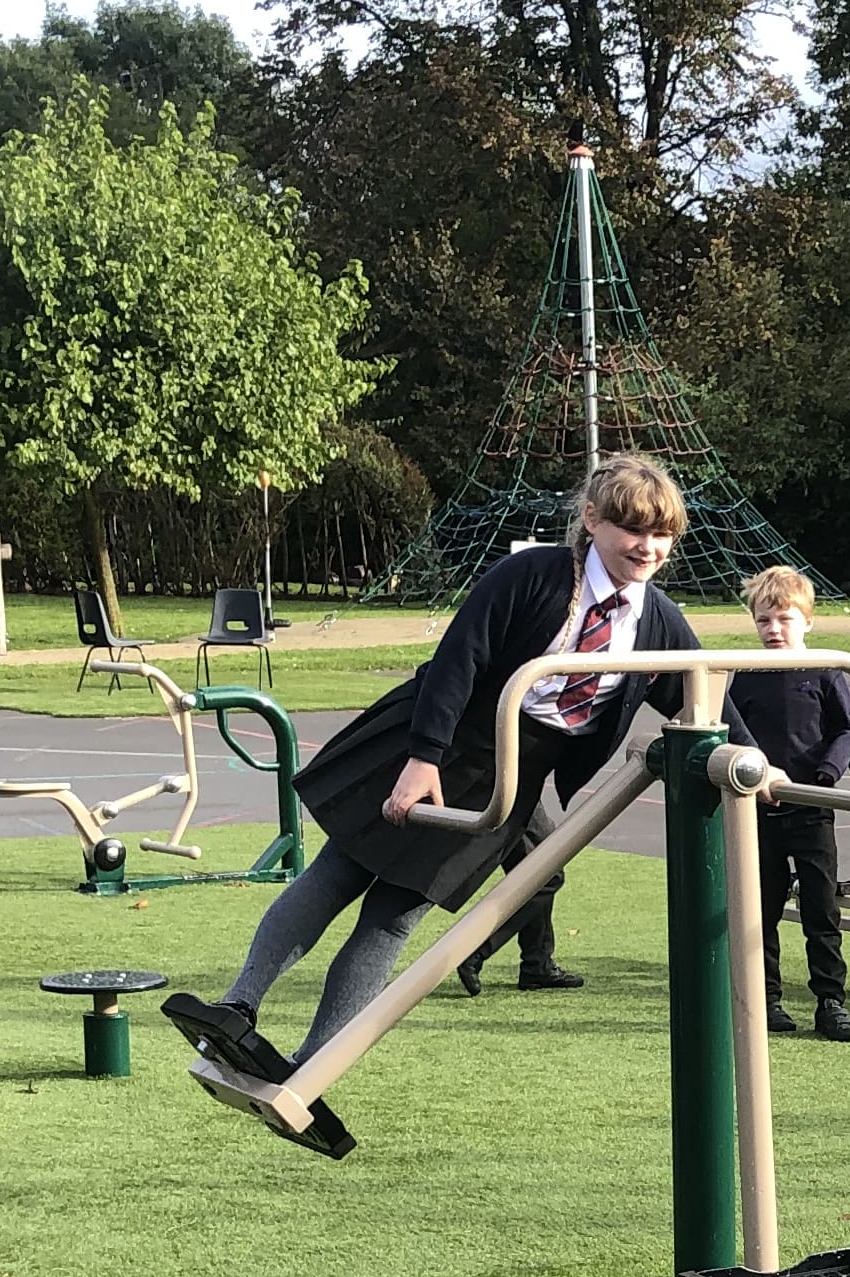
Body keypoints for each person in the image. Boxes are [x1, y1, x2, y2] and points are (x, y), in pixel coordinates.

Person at [163, 456, 702, 1104]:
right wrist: (423, 758)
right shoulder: (534, 576)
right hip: (439, 736)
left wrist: (763, 767)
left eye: (660, 534)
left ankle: (309, 1069)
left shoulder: (656, 620)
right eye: (630, 528)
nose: (646, 546)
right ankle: (238, 1007)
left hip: (506, 782)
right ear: (592, 520)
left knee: (392, 920)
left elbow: (701, 697)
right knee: (338, 873)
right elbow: (459, 657)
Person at [722, 565, 850, 1041]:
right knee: (759, 909)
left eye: (784, 619)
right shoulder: (746, 677)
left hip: (810, 807)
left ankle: (830, 1001)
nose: (774, 629)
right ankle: (767, 1000)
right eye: (764, 620)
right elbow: (732, 730)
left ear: (807, 621)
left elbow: (849, 726)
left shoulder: (824, 669)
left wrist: (826, 774)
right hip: (757, 809)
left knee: (820, 908)